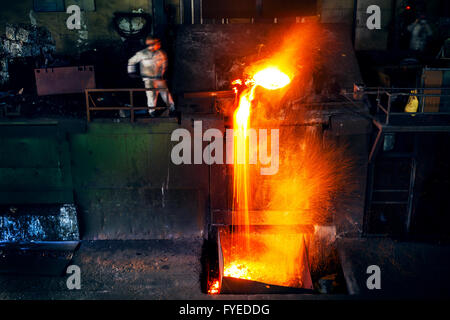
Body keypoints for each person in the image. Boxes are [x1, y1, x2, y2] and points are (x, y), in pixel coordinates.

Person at [127, 36, 175, 116]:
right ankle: (152, 112)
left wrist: (163, 73)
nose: (159, 44)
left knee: (165, 93)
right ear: (152, 44)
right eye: (157, 43)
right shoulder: (142, 54)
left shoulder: (161, 53)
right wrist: (131, 72)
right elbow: (131, 61)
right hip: (148, 79)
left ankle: (172, 108)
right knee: (151, 95)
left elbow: (164, 64)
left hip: (159, 78)